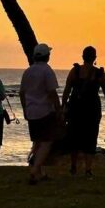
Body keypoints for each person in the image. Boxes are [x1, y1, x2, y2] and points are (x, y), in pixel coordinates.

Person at [62, 46, 105, 177]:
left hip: (75, 108)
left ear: (82, 56)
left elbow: (67, 89)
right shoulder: (99, 73)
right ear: (95, 58)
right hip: (92, 108)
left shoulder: (75, 70)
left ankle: (73, 166)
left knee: (74, 136)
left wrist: (63, 104)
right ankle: (88, 169)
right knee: (90, 137)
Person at [19, 43, 61, 184]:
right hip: (45, 111)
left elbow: (21, 93)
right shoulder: (47, 71)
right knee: (47, 142)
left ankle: (39, 172)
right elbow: (52, 92)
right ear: (47, 57)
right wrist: (59, 109)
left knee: (37, 142)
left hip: (31, 111)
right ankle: (35, 168)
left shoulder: (28, 71)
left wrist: (25, 109)